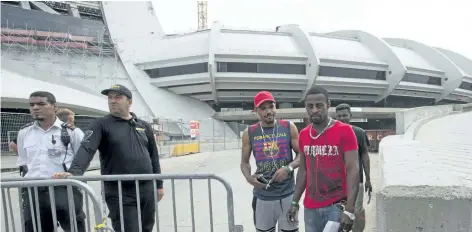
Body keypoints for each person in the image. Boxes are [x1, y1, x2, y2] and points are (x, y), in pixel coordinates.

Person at [53, 84, 164, 232]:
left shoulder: (143, 126)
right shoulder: (100, 124)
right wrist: (75, 171)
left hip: (146, 189)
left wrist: (159, 184)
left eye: (118, 97)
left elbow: (153, 157)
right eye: (110, 97)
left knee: (147, 228)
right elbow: (87, 148)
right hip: (119, 191)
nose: (112, 101)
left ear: (129, 102)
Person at [286, 86, 360, 232]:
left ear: (328, 105)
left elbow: (353, 170)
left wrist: (349, 210)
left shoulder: (345, 131)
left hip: (336, 206)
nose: (314, 110)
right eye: (310, 106)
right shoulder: (304, 134)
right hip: (310, 208)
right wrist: (294, 201)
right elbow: (303, 171)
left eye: (319, 105)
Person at [17, 91, 86, 232]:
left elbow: (82, 160)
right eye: (32, 105)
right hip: (34, 192)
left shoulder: (72, 132)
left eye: (41, 104)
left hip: (64, 190)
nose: (35, 107)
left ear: (54, 107)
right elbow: (24, 161)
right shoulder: (24, 133)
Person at [240, 91, 301, 232]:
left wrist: (289, 168)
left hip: (288, 194)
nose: (268, 111)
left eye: (271, 106)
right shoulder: (250, 132)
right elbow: (244, 162)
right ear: (256, 111)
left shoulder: (288, 127)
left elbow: (301, 155)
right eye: (263, 108)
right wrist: (249, 178)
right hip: (263, 196)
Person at [335, 103, 372, 232]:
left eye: (344, 115)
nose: (342, 118)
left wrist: (368, 179)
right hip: (337, 182)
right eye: (339, 116)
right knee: (338, 211)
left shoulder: (359, 132)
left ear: (350, 116)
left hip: (357, 180)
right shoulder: (331, 133)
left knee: (356, 210)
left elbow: (365, 156)